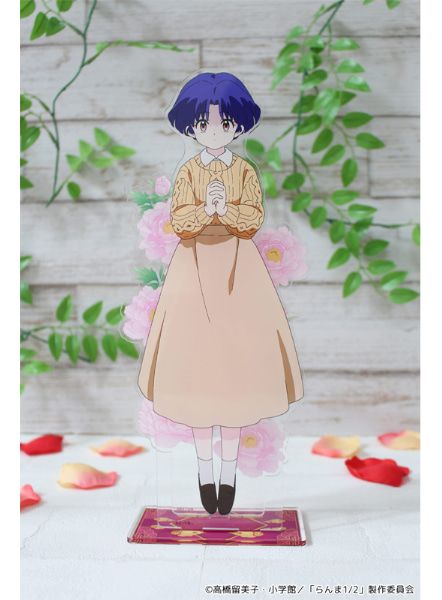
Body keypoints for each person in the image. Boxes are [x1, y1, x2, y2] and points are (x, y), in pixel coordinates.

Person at [138, 72, 304, 515]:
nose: (214, 132)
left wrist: (225, 209)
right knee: (198, 371)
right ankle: (203, 472)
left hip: (239, 268)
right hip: (193, 268)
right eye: (204, 124)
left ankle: (228, 474)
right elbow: (180, 220)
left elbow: (252, 218)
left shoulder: (244, 171)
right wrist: (204, 210)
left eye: (225, 123)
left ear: (238, 125)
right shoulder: (188, 171)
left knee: (234, 376)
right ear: (191, 127)